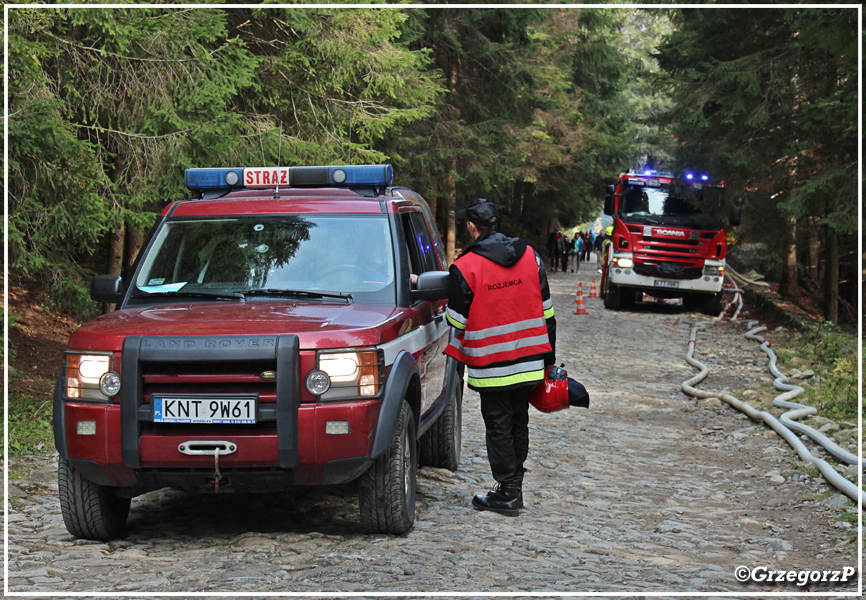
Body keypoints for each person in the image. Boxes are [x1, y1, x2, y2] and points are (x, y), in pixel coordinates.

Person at [445, 198, 556, 517]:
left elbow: (457, 322)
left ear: (470, 226)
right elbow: (548, 313)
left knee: (498, 425)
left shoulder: (465, 266)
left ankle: (507, 493)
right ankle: (514, 487)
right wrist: (550, 362)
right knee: (519, 421)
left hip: (491, 365)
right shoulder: (531, 256)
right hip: (530, 358)